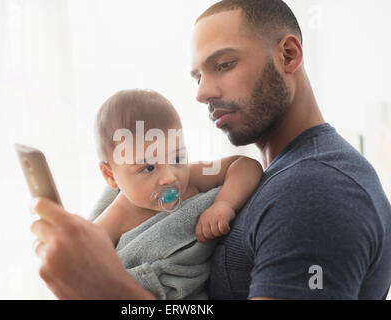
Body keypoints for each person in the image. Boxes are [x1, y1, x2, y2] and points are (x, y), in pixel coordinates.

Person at [30, 0, 391, 300]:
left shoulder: (317, 191)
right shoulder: (278, 177)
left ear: (288, 54)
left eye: (223, 65)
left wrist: (109, 291)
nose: (202, 92)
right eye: (198, 76)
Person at [90, 89, 262, 299]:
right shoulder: (120, 214)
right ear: (111, 176)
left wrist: (223, 204)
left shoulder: (193, 177)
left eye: (177, 158)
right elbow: (83, 258)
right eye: (148, 168)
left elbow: (245, 165)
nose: (170, 176)